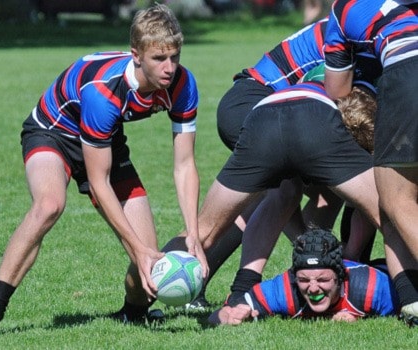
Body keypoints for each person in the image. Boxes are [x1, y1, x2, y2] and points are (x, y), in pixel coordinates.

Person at [0, 3, 207, 337]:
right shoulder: (104, 92)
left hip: (104, 138)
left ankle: (133, 315)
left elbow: (184, 164)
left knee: (149, 265)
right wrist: (136, 246)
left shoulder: (182, 85)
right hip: (53, 131)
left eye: (175, 57)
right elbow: (97, 182)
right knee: (50, 205)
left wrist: (192, 234)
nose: (169, 68)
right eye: (158, 59)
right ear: (137, 55)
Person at [177, 77, 418, 327]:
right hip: (305, 116)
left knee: (216, 224)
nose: (313, 288)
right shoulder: (349, 104)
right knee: (391, 209)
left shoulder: (281, 291)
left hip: (260, 116)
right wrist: (345, 260)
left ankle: (146, 295)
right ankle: (411, 297)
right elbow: (373, 209)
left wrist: (312, 252)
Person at [323, 0, 418, 323]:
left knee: (395, 200)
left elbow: (338, 90)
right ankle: (411, 299)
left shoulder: (344, 7)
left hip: (406, 68)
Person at [208, 229, 399, 325]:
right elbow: (220, 315)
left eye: (323, 280)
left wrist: (359, 315)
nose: (313, 288)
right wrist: (228, 315)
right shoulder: (284, 290)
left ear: (340, 277)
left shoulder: (371, 287)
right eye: (304, 280)